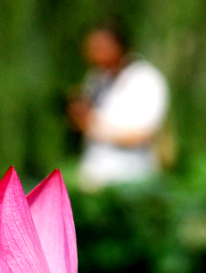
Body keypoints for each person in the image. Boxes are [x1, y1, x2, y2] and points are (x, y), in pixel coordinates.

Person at [68, 21, 169, 190]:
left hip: (130, 180)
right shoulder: (95, 78)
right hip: (94, 177)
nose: (92, 54)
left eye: (99, 47)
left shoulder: (146, 79)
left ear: (118, 46)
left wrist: (92, 127)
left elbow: (143, 134)